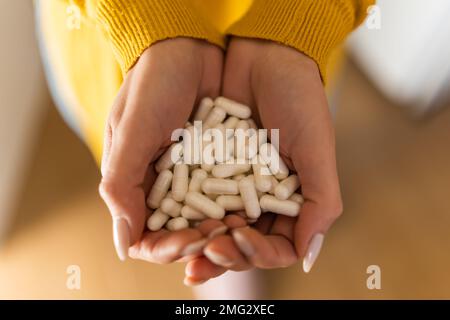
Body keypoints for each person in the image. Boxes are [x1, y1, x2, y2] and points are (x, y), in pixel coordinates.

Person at [36, 0, 374, 298]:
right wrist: (148, 15)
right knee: (144, 156)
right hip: (114, 37)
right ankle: (220, 259)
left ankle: (226, 259)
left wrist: (309, 13)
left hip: (295, 31)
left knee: (281, 156)